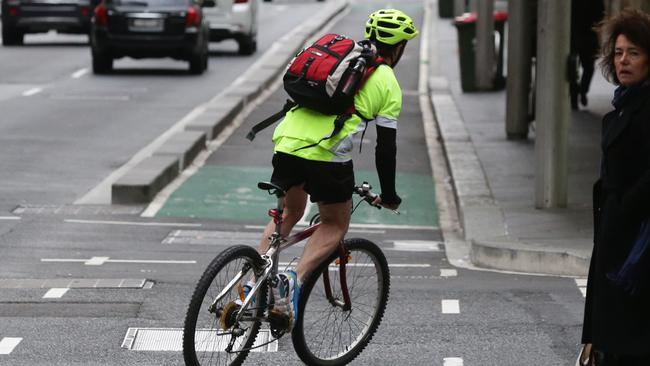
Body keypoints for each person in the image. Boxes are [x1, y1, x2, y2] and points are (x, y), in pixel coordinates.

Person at [256, 8, 418, 330]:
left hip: (286, 142)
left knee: (289, 212)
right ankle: (293, 280)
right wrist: (388, 194)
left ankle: (250, 284)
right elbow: (386, 149)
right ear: (399, 48)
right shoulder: (386, 80)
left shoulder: (341, 58)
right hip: (326, 154)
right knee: (334, 223)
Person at [580, 8, 650, 366]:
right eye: (619, 52)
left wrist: (624, 209)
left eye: (634, 53)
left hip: (637, 249)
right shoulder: (620, 110)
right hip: (613, 240)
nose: (624, 61)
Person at [569, 0, 605, 110]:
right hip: (589, 36)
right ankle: (583, 90)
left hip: (573, 35)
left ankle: (574, 96)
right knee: (588, 67)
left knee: (572, 66)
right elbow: (600, 16)